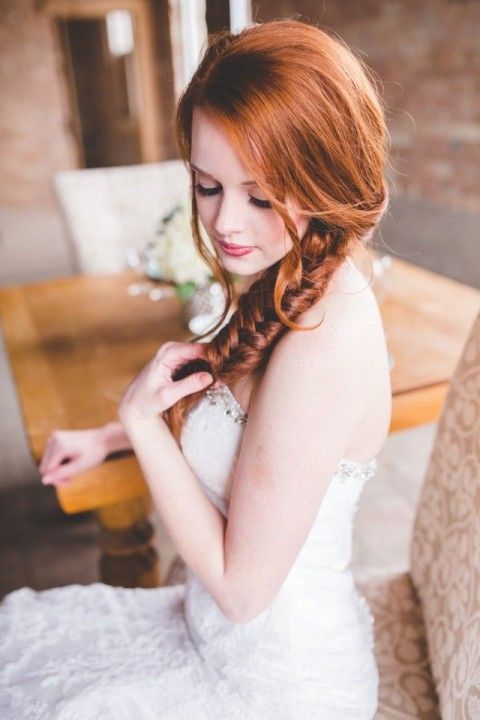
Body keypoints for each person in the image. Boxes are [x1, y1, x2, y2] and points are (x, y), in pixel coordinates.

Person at [0, 18, 392, 719]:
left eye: (260, 196)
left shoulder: (325, 337)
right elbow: (229, 408)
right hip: (205, 633)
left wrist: (140, 422)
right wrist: (109, 438)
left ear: (324, 175)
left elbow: (243, 594)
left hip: (278, 684)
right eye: (207, 186)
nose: (226, 224)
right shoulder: (282, 272)